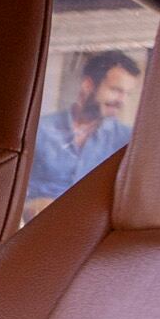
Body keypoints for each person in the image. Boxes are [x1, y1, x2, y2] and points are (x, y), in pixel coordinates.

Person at [26, 49, 142, 206]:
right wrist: (29, 206)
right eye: (115, 90)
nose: (122, 101)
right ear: (88, 85)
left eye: (127, 94)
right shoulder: (39, 129)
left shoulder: (128, 141)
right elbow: (11, 186)